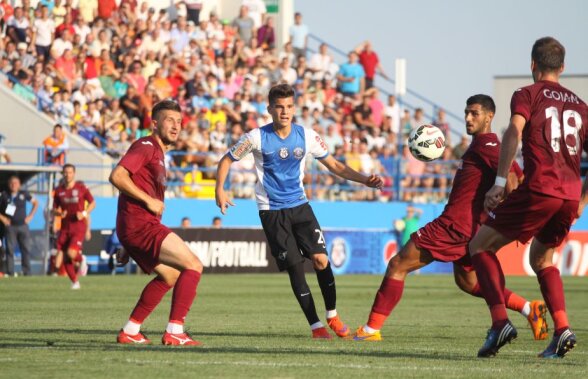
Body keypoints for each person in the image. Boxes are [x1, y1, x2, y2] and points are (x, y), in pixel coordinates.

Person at [353, 94, 549, 346]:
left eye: (474, 113)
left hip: (454, 226)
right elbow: (518, 178)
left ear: (489, 116)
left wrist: (501, 206)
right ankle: (529, 308)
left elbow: (513, 183)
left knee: (397, 265)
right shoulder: (485, 146)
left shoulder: (488, 146)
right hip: (471, 229)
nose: (468, 118)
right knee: (467, 282)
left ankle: (370, 329)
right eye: (466, 112)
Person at [215, 84, 383, 339]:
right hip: (272, 211)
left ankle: (332, 315)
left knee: (321, 260)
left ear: (295, 108)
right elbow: (227, 159)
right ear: (269, 109)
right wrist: (220, 189)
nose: (285, 112)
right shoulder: (255, 137)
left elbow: (335, 165)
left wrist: (364, 180)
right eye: (280, 107)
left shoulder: (307, 136)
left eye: (289, 106)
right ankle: (316, 326)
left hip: (300, 206)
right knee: (295, 267)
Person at [468, 37, 587, 358]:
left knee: (479, 246)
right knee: (542, 259)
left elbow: (514, 131)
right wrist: (583, 200)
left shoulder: (527, 94)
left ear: (533, 64)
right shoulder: (579, 104)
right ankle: (562, 329)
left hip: (540, 187)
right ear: (562, 67)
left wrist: (499, 181)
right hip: (569, 194)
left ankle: (499, 322)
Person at [110, 99, 204, 346]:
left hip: (135, 227)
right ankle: (175, 330)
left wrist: (127, 244)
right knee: (193, 264)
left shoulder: (159, 152)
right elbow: (117, 175)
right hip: (140, 224)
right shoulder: (146, 145)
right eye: (169, 120)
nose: (176, 126)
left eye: (179, 122)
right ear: (154, 123)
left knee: (170, 275)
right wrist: (148, 200)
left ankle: (131, 330)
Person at [53, 164, 94, 288]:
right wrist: (59, 212)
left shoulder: (81, 188)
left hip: (78, 226)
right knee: (65, 256)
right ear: (63, 174)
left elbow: (92, 203)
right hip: (65, 227)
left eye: (70, 172)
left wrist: (84, 213)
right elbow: (54, 209)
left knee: (71, 253)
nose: (67, 174)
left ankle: (82, 260)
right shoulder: (59, 191)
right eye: (65, 172)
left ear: (74, 173)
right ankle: (75, 282)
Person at [0, 176, 38, 276]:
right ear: (9, 184)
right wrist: (3, 218)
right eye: (12, 183)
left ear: (19, 184)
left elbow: (35, 203)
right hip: (10, 226)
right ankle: (10, 272)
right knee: (10, 250)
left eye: (16, 183)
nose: (14, 185)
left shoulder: (24, 194)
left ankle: (27, 272)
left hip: (23, 226)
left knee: (25, 249)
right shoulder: (4, 195)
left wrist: (30, 216)